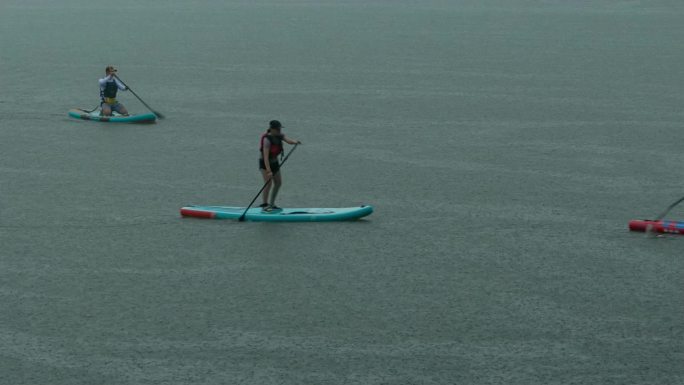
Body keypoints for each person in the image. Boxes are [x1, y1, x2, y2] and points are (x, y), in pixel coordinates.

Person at [259, 120, 300, 212]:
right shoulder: (267, 139)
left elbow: (289, 140)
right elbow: (265, 157)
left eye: (280, 128)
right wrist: (269, 171)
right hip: (265, 163)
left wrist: (295, 142)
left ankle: (272, 204)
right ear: (271, 129)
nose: (279, 130)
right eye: (277, 129)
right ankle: (264, 205)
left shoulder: (280, 135)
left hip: (274, 163)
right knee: (268, 184)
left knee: (278, 183)